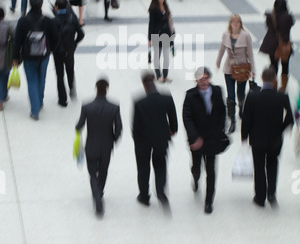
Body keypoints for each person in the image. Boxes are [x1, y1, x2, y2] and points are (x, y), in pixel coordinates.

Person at [241, 67, 294, 208]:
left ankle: (260, 197)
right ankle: (271, 193)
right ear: (275, 79)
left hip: (257, 138)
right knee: (272, 165)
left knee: (258, 167)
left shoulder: (252, 96)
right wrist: (281, 129)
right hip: (275, 139)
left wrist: (244, 135)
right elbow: (290, 117)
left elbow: (246, 118)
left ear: (262, 79)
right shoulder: (282, 97)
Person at [76, 79, 123, 216]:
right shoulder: (114, 107)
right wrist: (113, 139)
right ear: (107, 88)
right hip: (106, 146)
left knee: (92, 174)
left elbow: (79, 125)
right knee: (103, 172)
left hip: (91, 145)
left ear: (95, 88)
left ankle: (97, 198)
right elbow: (119, 128)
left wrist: (77, 129)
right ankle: (99, 194)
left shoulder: (87, 106)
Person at [183, 67, 227, 214]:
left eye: (206, 78)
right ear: (196, 80)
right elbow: (187, 118)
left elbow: (222, 111)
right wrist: (194, 137)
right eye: (201, 79)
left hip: (212, 139)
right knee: (197, 166)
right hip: (197, 140)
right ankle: (195, 178)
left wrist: (220, 130)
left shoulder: (218, 91)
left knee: (211, 170)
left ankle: (209, 201)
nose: (204, 81)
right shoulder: (190, 95)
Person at [132, 72, 178, 208]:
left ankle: (144, 196)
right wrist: (171, 131)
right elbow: (173, 121)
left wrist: (137, 140)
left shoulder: (139, 102)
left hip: (143, 141)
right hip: (161, 139)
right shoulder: (166, 98)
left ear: (143, 83)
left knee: (143, 168)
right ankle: (160, 191)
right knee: (160, 165)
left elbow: (135, 125)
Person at [13, 0, 59, 120]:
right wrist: (51, 49)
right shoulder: (48, 21)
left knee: (32, 81)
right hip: (44, 55)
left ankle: (35, 110)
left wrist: (15, 57)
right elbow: (56, 38)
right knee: (41, 78)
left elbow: (17, 41)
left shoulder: (23, 21)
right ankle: (40, 101)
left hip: (28, 56)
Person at [216, 14, 256, 134]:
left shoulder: (246, 35)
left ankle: (242, 108)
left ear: (240, 23)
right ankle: (232, 120)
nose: (235, 24)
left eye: (237, 22)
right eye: (233, 22)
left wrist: (253, 69)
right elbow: (222, 49)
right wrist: (218, 61)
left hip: (242, 68)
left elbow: (250, 53)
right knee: (230, 95)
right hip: (229, 67)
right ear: (230, 23)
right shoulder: (226, 35)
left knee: (240, 92)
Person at [53, 0, 85, 107]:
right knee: (70, 70)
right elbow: (81, 34)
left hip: (58, 51)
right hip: (69, 49)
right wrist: (74, 43)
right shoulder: (72, 18)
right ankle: (72, 88)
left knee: (59, 74)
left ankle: (62, 99)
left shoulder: (54, 20)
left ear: (56, 6)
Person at [260, 0, 295, 93]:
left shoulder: (270, 15)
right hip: (284, 44)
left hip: (271, 44)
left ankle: (273, 86)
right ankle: (283, 87)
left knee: (273, 65)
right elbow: (291, 25)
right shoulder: (288, 17)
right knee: (285, 65)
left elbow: (268, 26)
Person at [148, 0, 175, 83]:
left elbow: (170, 20)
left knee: (166, 56)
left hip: (166, 34)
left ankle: (165, 74)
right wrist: (150, 38)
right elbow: (151, 24)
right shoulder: (153, 8)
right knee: (157, 56)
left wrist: (173, 33)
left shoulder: (165, 6)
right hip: (156, 34)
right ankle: (158, 75)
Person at [0, 7, 14, 111]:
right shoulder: (9, 27)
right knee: (4, 78)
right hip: (6, 57)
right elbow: (15, 40)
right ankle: (4, 96)